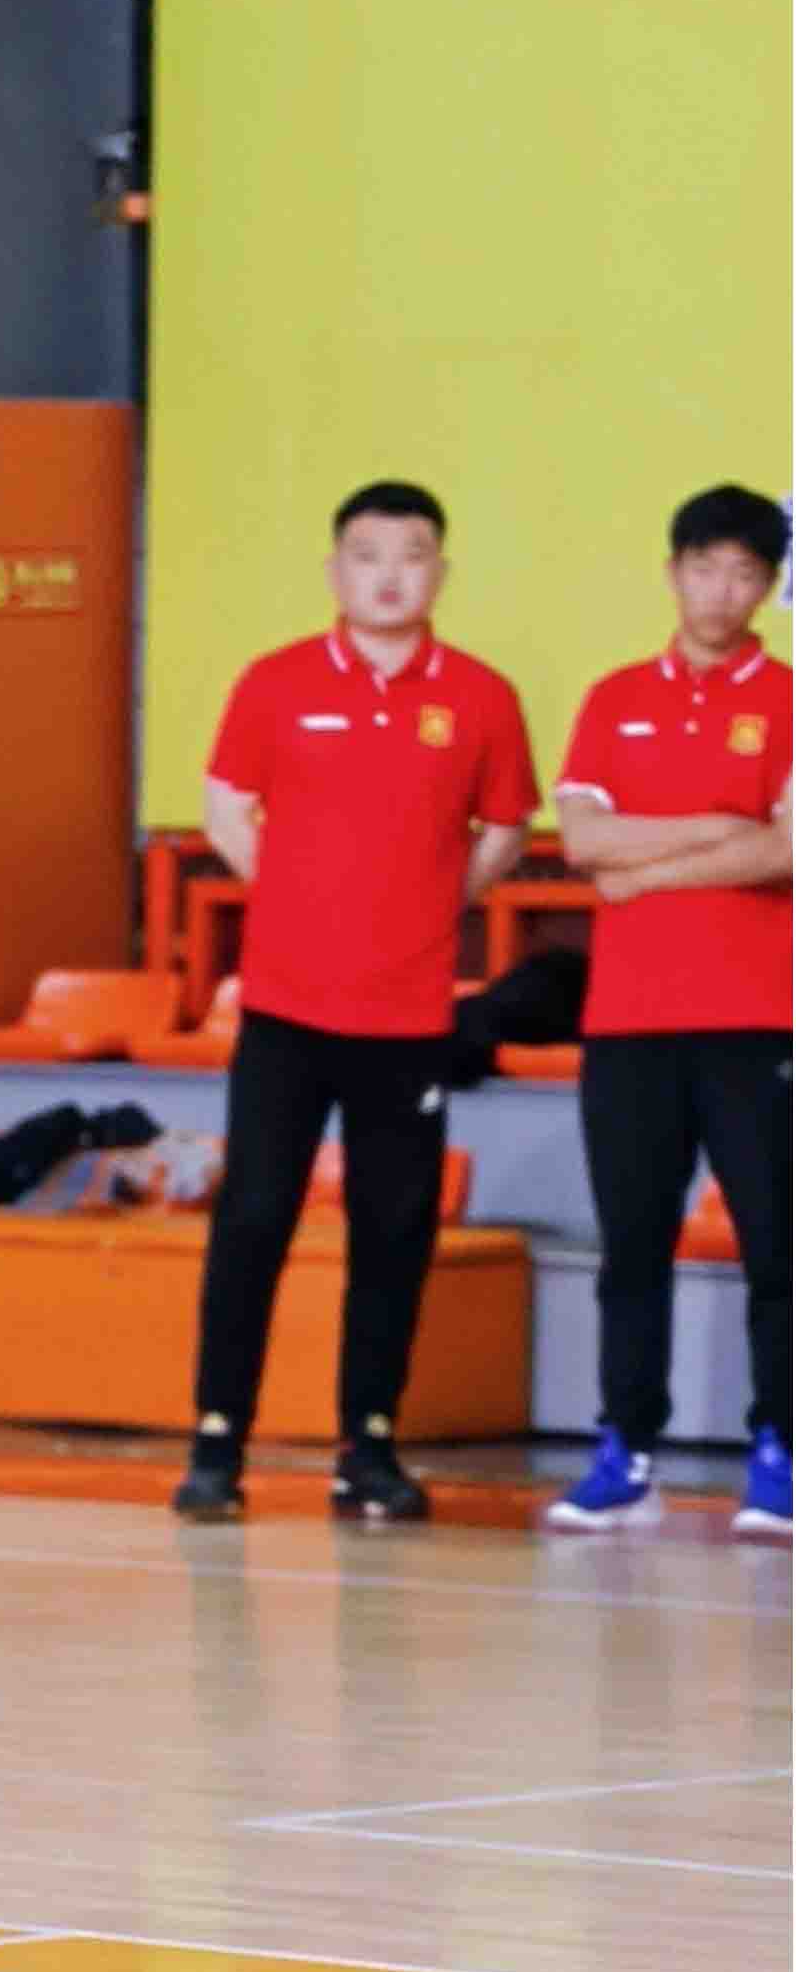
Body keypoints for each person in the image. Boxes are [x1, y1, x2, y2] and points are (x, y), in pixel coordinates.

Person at [175, 482, 535, 1524]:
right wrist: (294, 897)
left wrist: (432, 898)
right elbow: (225, 807)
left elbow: (506, 830)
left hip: (409, 1018)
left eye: (411, 555)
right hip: (285, 1012)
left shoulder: (481, 695)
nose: (388, 575)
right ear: (336, 570)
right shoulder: (277, 681)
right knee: (253, 1219)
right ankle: (217, 1442)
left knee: (394, 1230)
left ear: (439, 572)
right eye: (368, 555)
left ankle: (369, 1445)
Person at [545, 486, 791, 1538]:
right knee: (632, 1245)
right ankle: (626, 1450)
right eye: (704, 567)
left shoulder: (789, 697)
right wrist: (720, 826)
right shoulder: (614, 698)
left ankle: (778, 1451)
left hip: (759, 1017)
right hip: (630, 1022)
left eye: (744, 573)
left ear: (768, 587)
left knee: (778, 1245)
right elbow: (582, 841)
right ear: (673, 571)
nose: (721, 591)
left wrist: (645, 870)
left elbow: (786, 848)